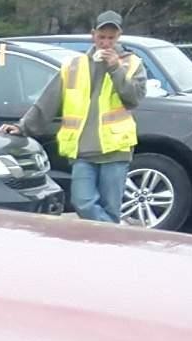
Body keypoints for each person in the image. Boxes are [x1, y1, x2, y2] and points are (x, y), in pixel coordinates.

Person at [8, 12, 145, 224]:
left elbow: (133, 99)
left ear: (119, 36)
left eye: (111, 37)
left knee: (111, 207)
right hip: (82, 150)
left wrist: (115, 68)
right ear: (93, 35)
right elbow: (49, 101)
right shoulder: (73, 65)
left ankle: (106, 246)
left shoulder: (132, 64)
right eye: (102, 37)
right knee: (83, 202)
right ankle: (116, 233)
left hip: (115, 149)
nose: (106, 42)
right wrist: (23, 127)